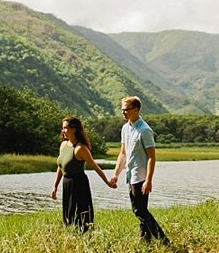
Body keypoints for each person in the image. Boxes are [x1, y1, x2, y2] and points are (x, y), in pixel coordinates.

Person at [109, 96, 169, 244]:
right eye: (122, 110)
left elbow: (151, 157)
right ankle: (145, 241)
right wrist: (116, 174)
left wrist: (148, 180)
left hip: (140, 175)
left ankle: (163, 240)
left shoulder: (145, 130)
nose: (123, 113)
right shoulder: (125, 128)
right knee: (140, 209)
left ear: (136, 110)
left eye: (126, 110)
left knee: (139, 210)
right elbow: (123, 153)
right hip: (130, 174)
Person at [51, 116, 116, 232]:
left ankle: (86, 235)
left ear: (74, 129)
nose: (63, 131)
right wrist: (55, 186)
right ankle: (72, 236)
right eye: (63, 128)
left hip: (78, 183)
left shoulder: (81, 148)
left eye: (65, 128)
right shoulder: (63, 145)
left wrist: (108, 182)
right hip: (66, 183)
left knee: (81, 214)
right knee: (68, 214)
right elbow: (60, 167)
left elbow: (95, 167)